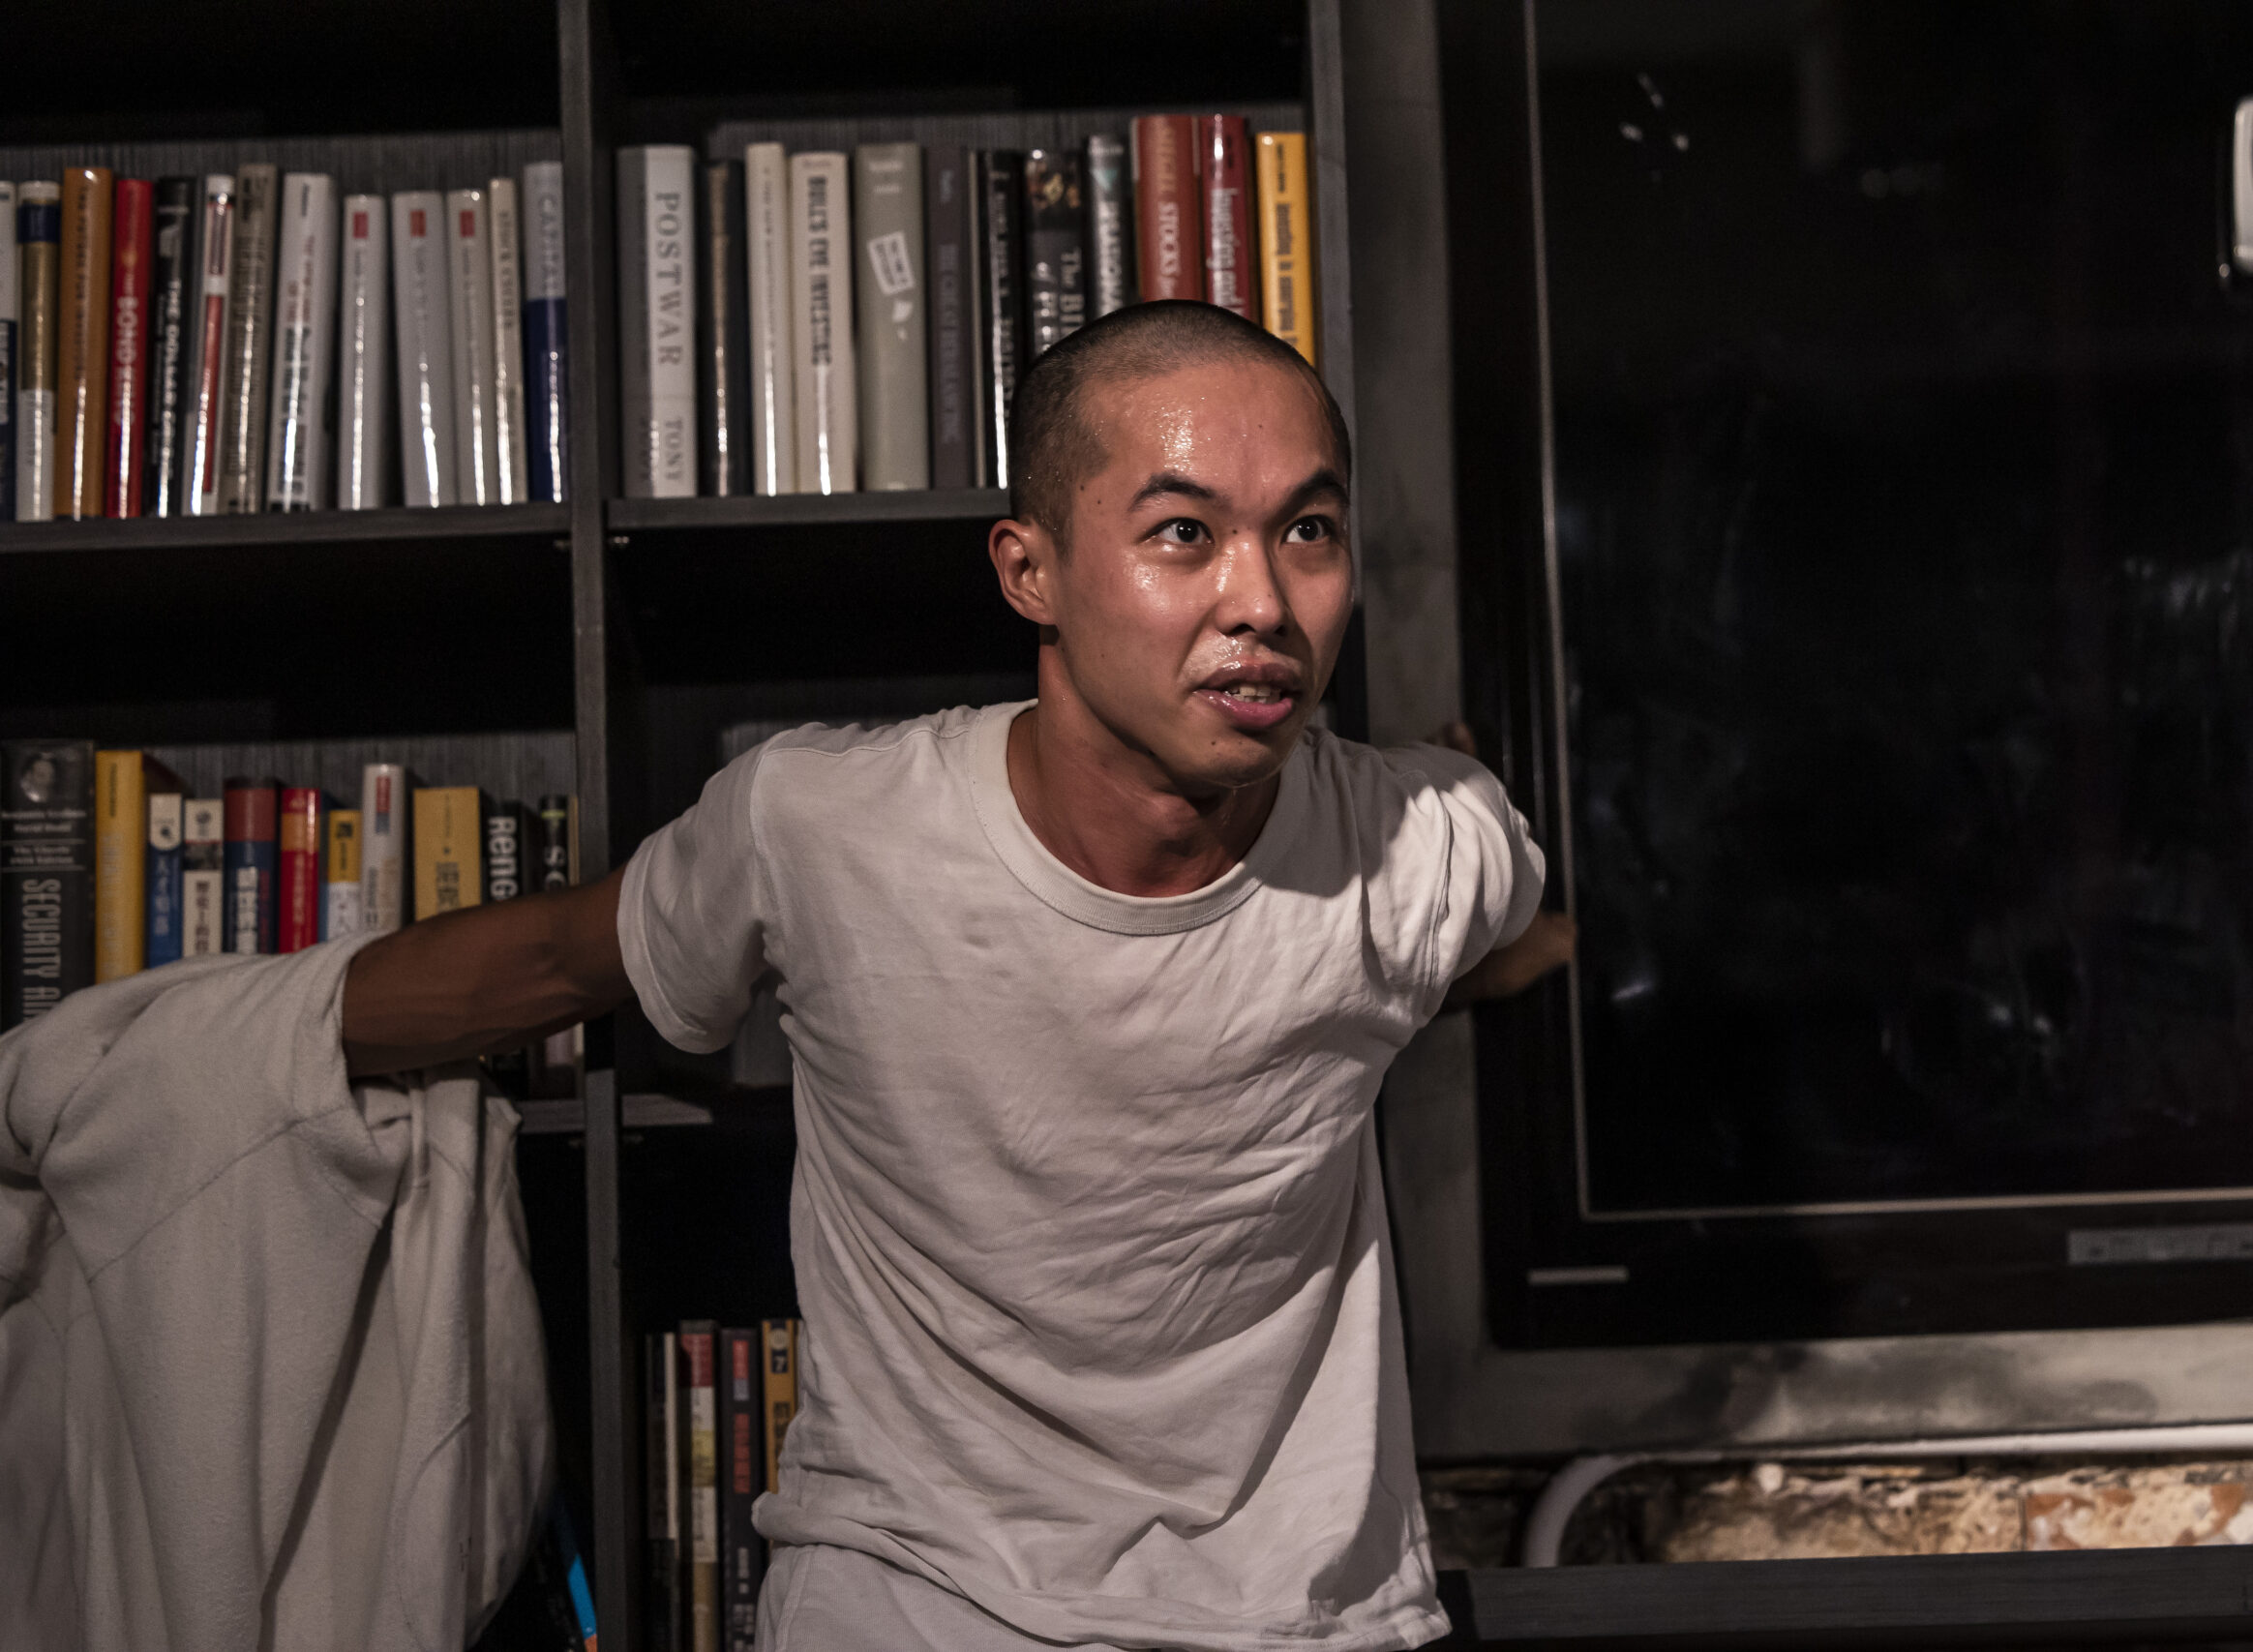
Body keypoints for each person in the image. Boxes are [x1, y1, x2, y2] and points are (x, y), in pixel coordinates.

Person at [342, 299, 1573, 1652]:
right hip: (908, 1601)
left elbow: (1466, 930)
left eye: (1310, 530)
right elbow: (551, 958)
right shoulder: (822, 827)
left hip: (1298, 1622)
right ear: (1029, 570)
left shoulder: (1427, 845)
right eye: (1183, 533)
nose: (1264, 602)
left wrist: (1459, 971)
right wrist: (242, 1030)